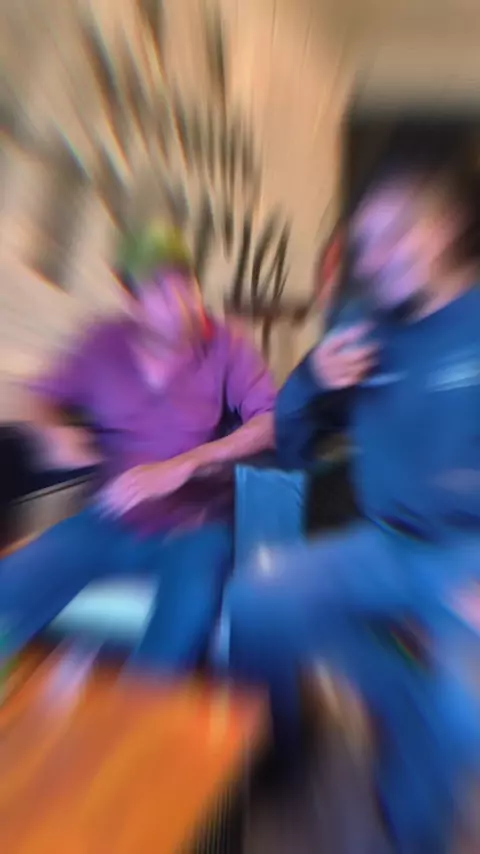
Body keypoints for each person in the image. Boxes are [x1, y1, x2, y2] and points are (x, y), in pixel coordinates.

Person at [225, 153, 480, 853]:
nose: (377, 256)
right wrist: (315, 377)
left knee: (465, 708)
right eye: (367, 242)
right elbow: (292, 446)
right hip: (382, 540)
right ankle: (285, 752)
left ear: (444, 227)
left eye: (396, 232)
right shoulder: (362, 328)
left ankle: (411, 828)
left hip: (467, 554)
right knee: (255, 601)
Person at [0, 223, 275, 672]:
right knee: (11, 586)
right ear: (133, 302)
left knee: (185, 620)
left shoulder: (226, 344)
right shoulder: (103, 343)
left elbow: (270, 422)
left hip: (195, 527)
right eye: (161, 292)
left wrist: (185, 464)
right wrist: (52, 431)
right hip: (110, 518)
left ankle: (140, 711)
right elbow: (37, 397)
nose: (182, 304)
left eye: (186, 286)